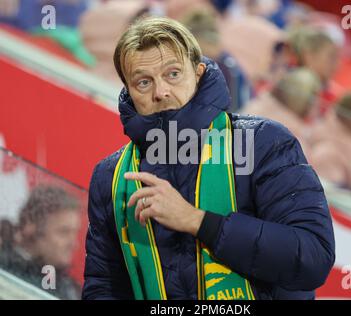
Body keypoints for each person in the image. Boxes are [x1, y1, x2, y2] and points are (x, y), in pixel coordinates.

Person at [82, 16, 335, 300]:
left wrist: (197, 221)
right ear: (128, 92)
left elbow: (312, 256)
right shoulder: (111, 176)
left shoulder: (263, 142)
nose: (161, 92)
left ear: (199, 73)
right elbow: (103, 287)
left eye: (173, 74)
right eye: (143, 82)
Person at [0, 185, 82, 300]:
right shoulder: (5, 266)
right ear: (31, 226)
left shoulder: (71, 289)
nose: (73, 244)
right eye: (64, 232)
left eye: (74, 233)